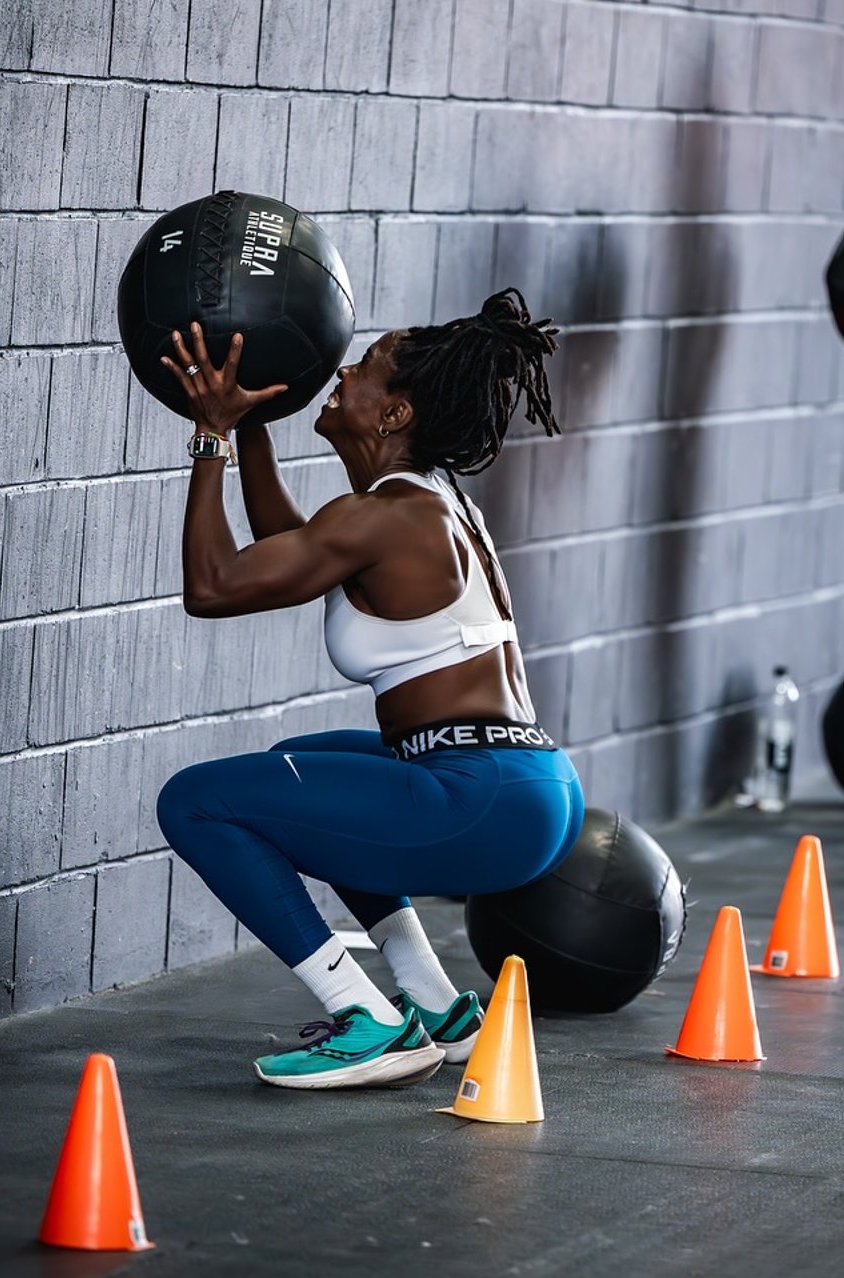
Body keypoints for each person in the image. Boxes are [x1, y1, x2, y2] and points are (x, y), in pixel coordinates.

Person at [153, 289, 586, 1088]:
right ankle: (438, 1006)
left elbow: (214, 586)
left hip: (480, 799)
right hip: (531, 786)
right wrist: (251, 432)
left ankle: (367, 1018)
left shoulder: (385, 517)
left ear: (393, 416)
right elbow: (297, 548)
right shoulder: (423, 500)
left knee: (195, 800)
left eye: (369, 368)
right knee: (299, 764)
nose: (345, 371)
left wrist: (210, 435)